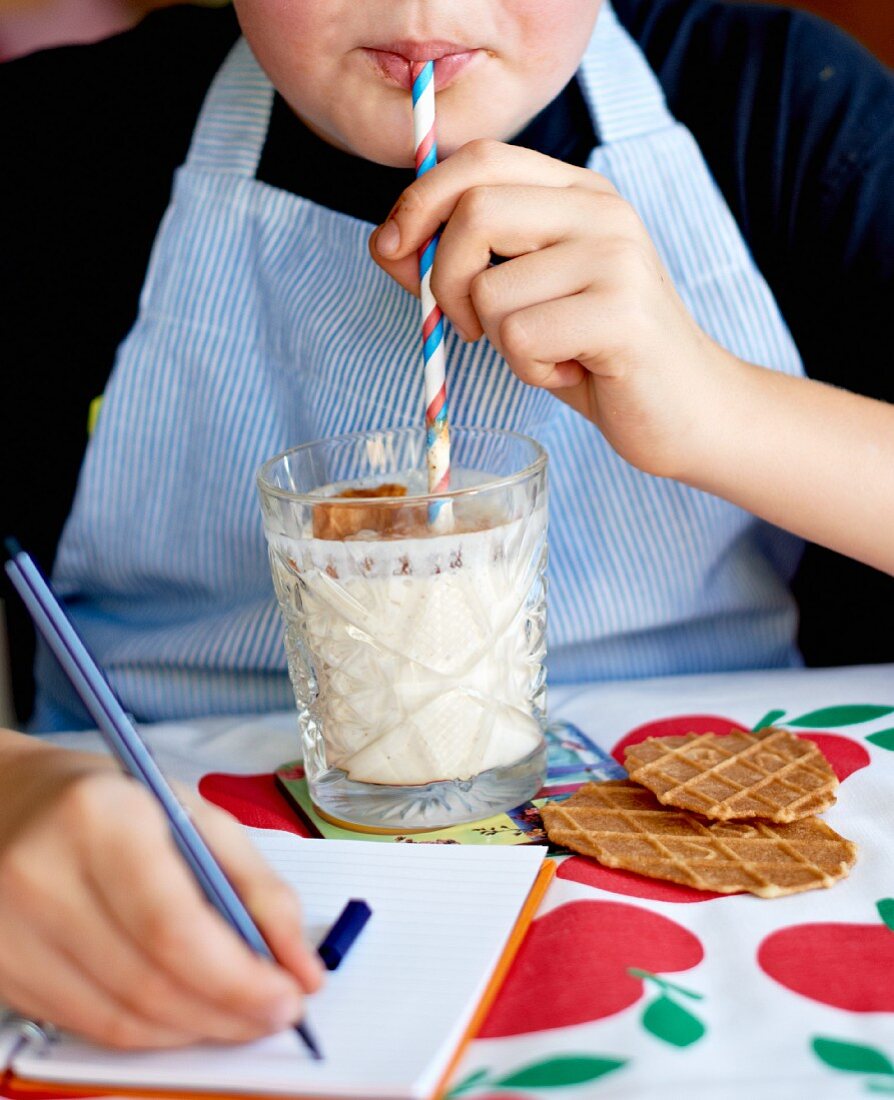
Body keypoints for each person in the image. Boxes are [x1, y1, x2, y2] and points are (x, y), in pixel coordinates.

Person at [1, 0, 892, 1049]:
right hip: (180, 889)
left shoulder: (780, 108)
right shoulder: (56, 152)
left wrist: (720, 406)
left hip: (719, 881)